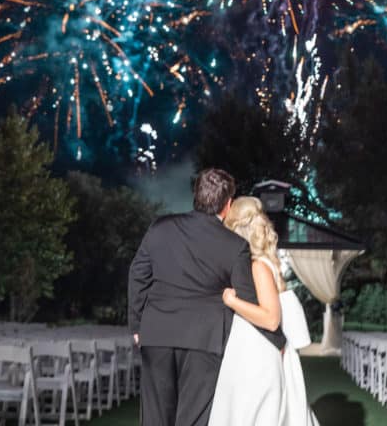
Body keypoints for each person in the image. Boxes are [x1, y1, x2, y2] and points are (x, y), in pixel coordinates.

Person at [128, 169, 286, 426]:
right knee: (192, 420)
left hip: (156, 334)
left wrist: (136, 324)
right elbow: (248, 300)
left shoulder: (160, 228)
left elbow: (138, 274)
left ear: (196, 196)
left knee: (155, 419)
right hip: (204, 341)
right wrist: (277, 339)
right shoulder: (235, 246)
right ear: (228, 204)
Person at [209, 196, 319, 426]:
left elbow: (271, 319)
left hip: (257, 354)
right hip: (254, 350)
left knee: (253, 415)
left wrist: (232, 301)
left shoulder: (259, 266)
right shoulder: (259, 263)